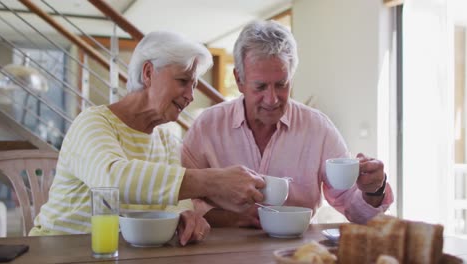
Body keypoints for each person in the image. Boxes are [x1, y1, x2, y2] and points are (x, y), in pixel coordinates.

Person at [30, 31, 265, 245]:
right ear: (148, 73)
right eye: (183, 81)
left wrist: (186, 216)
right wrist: (215, 180)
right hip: (57, 248)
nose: (191, 96)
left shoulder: (166, 139)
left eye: (193, 85)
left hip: (122, 252)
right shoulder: (92, 123)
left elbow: (177, 200)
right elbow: (113, 179)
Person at [182, 20, 394, 227]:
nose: (272, 99)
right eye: (260, 86)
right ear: (239, 80)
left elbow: (357, 212)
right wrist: (231, 218)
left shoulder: (318, 129)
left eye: (281, 85)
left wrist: (374, 190)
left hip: (295, 252)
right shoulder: (207, 127)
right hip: (223, 252)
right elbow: (182, 200)